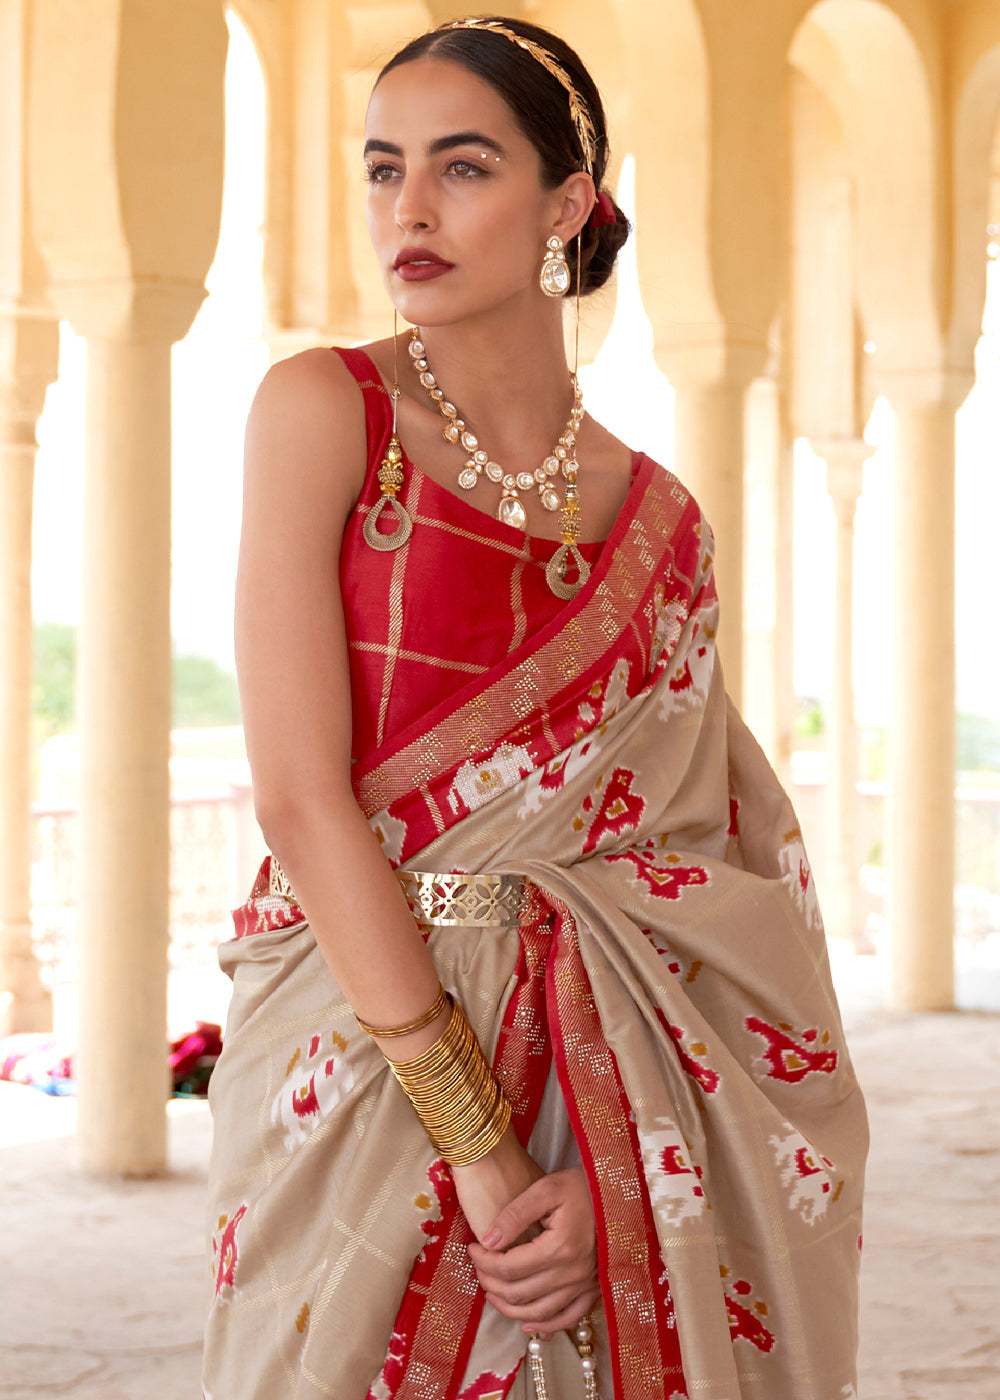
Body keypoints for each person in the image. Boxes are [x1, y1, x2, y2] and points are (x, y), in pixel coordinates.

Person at [203, 15, 868, 1400]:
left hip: (618, 1075)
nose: (411, 209)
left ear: (567, 201)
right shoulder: (326, 414)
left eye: (464, 167)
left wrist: (615, 1169)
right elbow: (298, 798)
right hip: (362, 1065)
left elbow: (705, 870)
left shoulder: (661, 523)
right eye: (385, 169)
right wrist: (482, 1143)